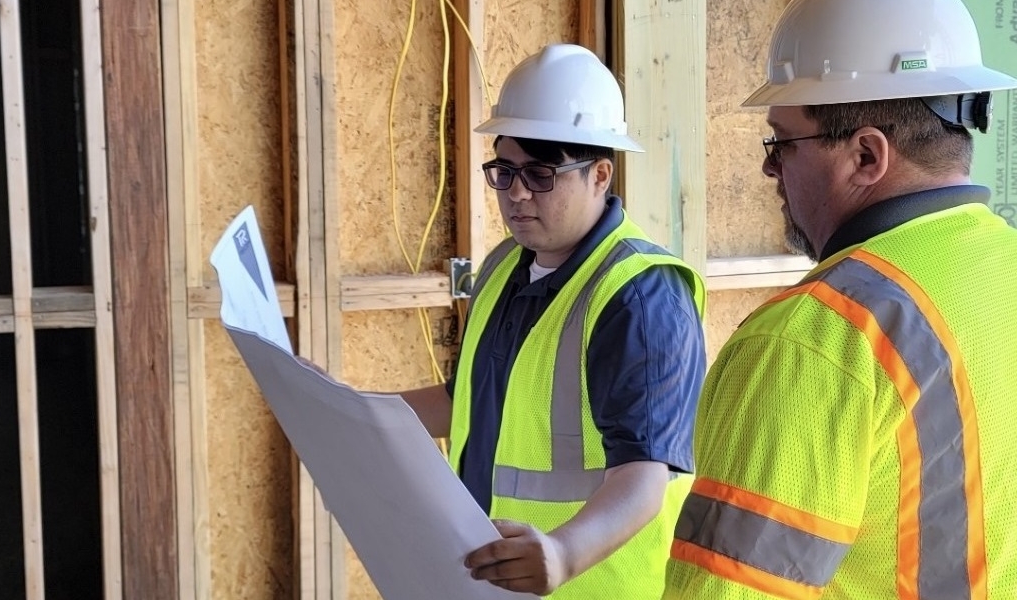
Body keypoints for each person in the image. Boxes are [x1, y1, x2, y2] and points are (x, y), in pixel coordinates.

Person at [665, 0, 1017, 598]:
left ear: (866, 156)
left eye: (782, 143)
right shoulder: (1002, 267)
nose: (769, 168)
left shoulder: (814, 336)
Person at [398, 44, 707, 598]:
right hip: (490, 576)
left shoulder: (640, 295)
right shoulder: (502, 268)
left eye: (541, 173)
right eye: (505, 170)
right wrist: (352, 408)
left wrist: (564, 554)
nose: (516, 193)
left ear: (599, 174)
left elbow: (645, 476)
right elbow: (468, 396)